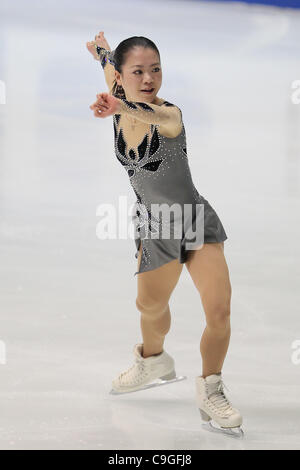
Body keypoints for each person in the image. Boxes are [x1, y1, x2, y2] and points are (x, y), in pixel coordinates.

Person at [86, 33, 243, 437]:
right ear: (120, 77)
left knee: (220, 312)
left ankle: (211, 387)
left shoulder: (169, 114)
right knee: (150, 308)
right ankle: (154, 360)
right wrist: (101, 51)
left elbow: (154, 115)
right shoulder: (116, 89)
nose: (149, 77)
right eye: (137, 71)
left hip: (193, 220)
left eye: (156, 69)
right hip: (154, 227)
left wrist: (120, 104)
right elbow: (108, 65)